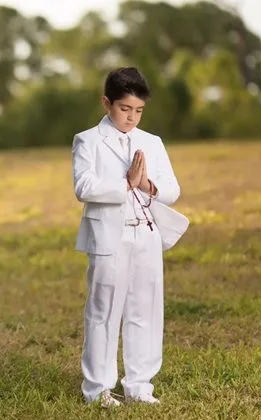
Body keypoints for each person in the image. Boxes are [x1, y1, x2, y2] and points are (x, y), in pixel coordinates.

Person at [71, 67, 182, 407]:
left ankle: (139, 384)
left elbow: (173, 190)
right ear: (107, 103)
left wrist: (147, 183)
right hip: (109, 237)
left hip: (146, 234)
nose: (132, 117)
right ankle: (98, 389)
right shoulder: (88, 140)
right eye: (124, 109)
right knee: (104, 310)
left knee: (144, 309)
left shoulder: (152, 142)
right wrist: (126, 184)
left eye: (138, 111)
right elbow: (83, 187)